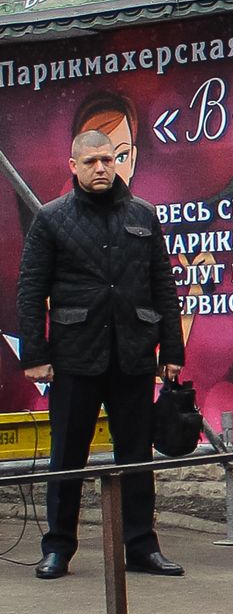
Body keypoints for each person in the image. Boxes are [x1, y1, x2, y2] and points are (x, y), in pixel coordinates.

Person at [17, 130, 185, 579]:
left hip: (132, 355)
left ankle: (142, 547)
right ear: (72, 166)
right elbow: (31, 289)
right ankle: (58, 547)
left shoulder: (143, 215)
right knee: (66, 456)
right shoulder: (51, 219)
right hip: (74, 357)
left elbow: (164, 286)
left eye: (108, 160)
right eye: (90, 161)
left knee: (136, 456)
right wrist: (34, 354)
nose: (101, 168)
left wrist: (172, 348)